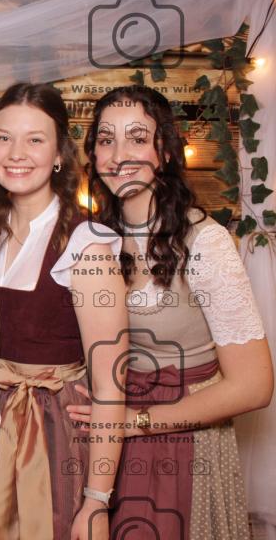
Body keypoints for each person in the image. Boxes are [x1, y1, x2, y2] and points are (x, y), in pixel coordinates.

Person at [67, 84, 273, 539]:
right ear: (93, 155)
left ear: (164, 152)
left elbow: (255, 385)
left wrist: (137, 423)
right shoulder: (93, 237)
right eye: (107, 139)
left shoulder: (205, 242)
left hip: (183, 442)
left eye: (137, 138)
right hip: (108, 435)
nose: (120, 154)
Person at [0, 82, 129, 540]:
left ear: (59, 154)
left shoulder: (87, 244)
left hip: (56, 435)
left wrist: (96, 501)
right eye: (4, 138)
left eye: (35, 139)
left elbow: (110, 385)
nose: (16, 153)